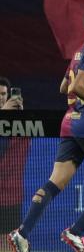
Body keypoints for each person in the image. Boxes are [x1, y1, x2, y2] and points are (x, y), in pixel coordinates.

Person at [7, 7, 84, 252]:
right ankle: (75, 232)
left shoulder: (79, 53)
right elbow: (78, 86)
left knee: (54, 182)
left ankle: (22, 232)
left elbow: (64, 87)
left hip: (70, 123)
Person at [0, 76, 28, 249]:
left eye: (3, 94)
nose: (1, 97)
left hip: (11, 199)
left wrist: (19, 117)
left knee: (9, 244)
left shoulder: (21, 123)